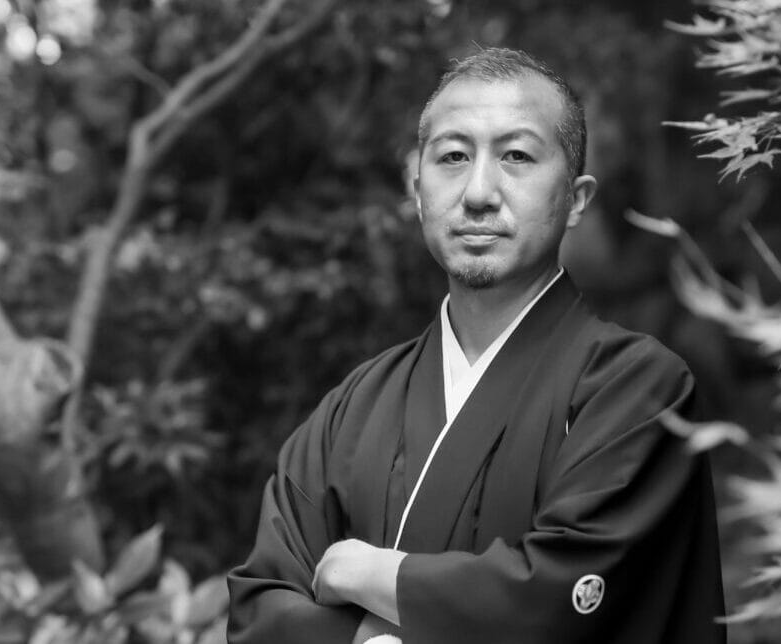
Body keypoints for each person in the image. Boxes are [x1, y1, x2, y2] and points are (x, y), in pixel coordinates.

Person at [227, 47, 726, 644]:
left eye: (516, 156)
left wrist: (368, 573)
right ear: (418, 191)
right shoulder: (354, 406)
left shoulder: (635, 386)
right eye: (453, 157)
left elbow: (557, 599)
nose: (479, 192)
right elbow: (260, 611)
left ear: (576, 199)